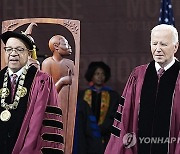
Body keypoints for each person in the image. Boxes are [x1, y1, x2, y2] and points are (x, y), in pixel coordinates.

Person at [105, 24, 180, 154]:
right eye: (154, 43)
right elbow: (125, 118)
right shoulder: (138, 75)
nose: (157, 49)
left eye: (163, 44)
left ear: (176, 46)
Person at [0, 31, 64, 154]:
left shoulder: (42, 80)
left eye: (19, 49)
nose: (13, 53)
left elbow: (47, 123)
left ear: (29, 54)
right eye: (8, 49)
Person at [75, 61, 120, 153]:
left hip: (106, 135)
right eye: (97, 74)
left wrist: (103, 128)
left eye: (102, 74)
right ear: (91, 75)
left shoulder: (113, 95)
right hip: (85, 137)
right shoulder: (82, 94)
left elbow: (114, 114)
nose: (100, 76)